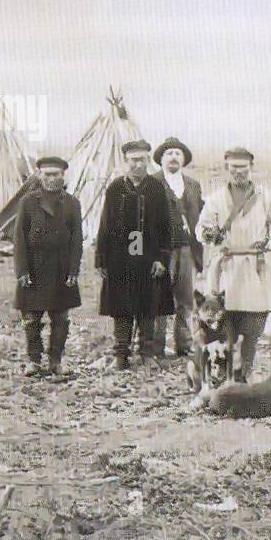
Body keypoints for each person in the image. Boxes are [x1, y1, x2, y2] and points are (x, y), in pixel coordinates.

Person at [195, 147, 271, 383]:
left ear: (250, 168)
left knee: (255, 323)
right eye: (234, 167)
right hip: (227, 267)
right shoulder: (216, 199)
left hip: (255, 266)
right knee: (224, 322)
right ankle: (221, 373)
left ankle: (246, 370)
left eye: (243, 167)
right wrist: (209, 234)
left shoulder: (264, 196)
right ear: (227, 168)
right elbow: (201, 228)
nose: (239, 172)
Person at [96, 139, 174, 369]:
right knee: (121, 307)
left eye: (142, 160)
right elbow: (105, 224)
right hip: (120, 258)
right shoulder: (115, 189)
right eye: (133, 160)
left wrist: (161, 258)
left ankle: (147, 353)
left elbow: (165, 226)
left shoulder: (157, 189)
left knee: (148, 306)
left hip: (149, 259)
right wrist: (101, 258)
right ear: (125, 161)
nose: (137, 165)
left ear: (148, 160)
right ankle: (121, 354)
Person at [13, 156, 82, 377]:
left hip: (61, 269)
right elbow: (19, 238)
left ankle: (56, 361)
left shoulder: (72, 203)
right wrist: (21, 270)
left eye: (56, 174)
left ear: (63, 176)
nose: (52, 179)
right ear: (39, 176)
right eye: (47, 174)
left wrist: (73, 270)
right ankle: (34, 360)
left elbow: (76, 240)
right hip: (34, 268)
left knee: (61, 318)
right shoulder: (28, 202)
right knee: (31, 318)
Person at [150, 137, 205, 357]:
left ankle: (184, 344)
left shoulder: (193, 185)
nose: (173, 156)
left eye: (178, 153)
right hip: (162, 250)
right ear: (161, 159)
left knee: (185, 299)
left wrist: (198, 252)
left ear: (183, 159)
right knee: (159, 299)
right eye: (169, 153)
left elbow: (199, 218)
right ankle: (155, 346)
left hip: (186, 249)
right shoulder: (152, 183)